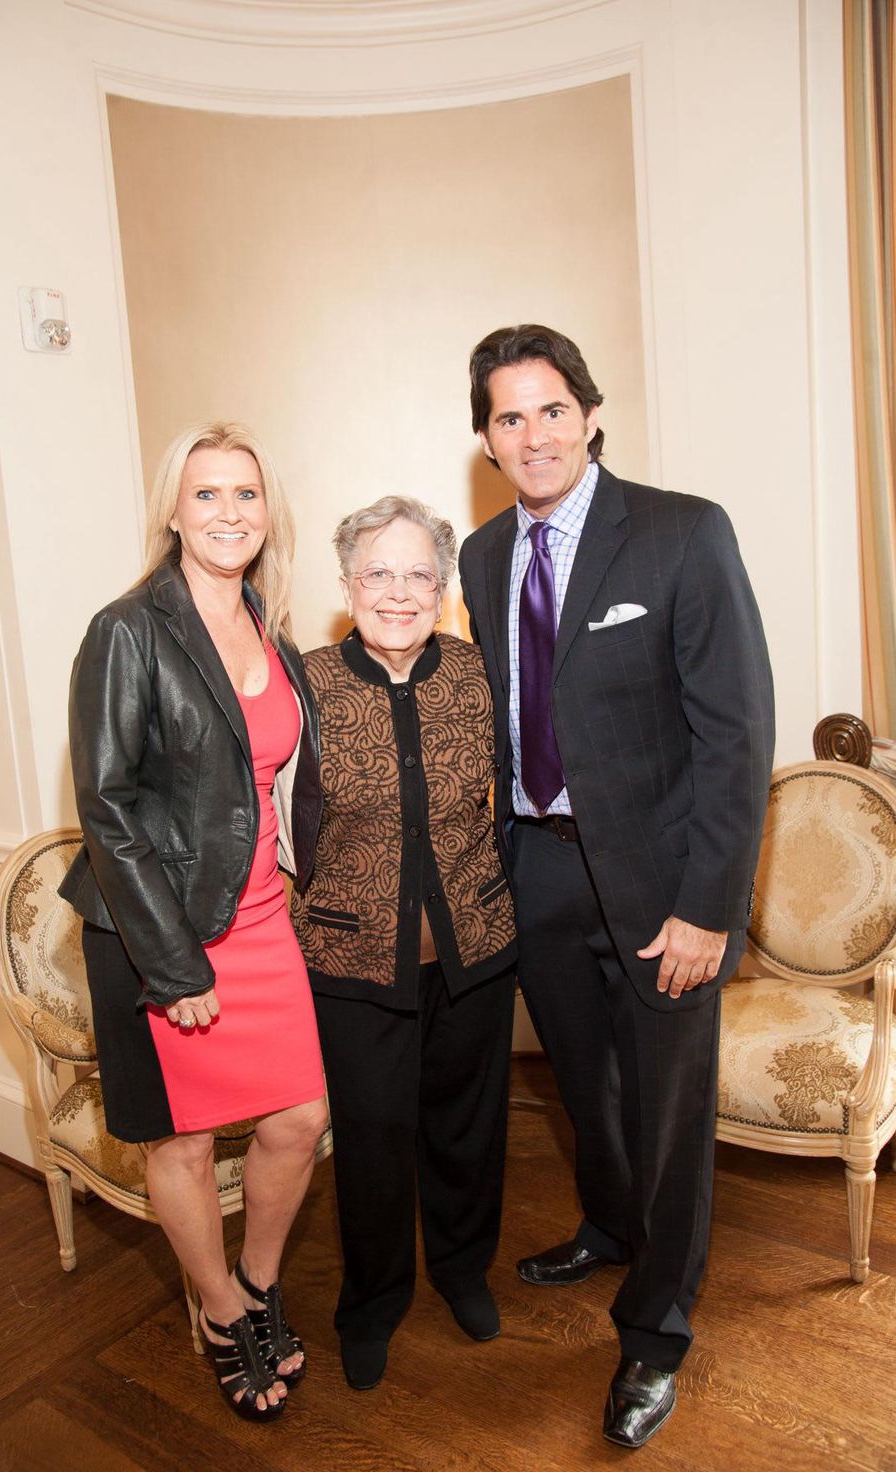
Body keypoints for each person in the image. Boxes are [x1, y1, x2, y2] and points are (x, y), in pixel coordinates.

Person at [459, 325, 775, 1448]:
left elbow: (735, 738)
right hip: (538, 868)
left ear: (589, 413)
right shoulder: (482, 556)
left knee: (668, 1109)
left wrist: (707, 906)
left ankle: (654, 1331)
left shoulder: (683, 533)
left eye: (551, 408)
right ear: (486, 439)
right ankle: (605, 1220)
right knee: (582, 1087)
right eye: (508, 416)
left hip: (660, 885)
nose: (532, 433)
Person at [59, 422, 329, 1425]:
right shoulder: (127, 629)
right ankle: (217, 1310)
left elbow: (270, 786)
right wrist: (171, 963)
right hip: (159, 927)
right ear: (173, 509)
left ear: (267, 514)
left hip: (260, 919)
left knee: (298, 1118)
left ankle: (253, 1279)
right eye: (206, 494)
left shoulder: (272, 631)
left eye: (245, 495)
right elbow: (107, 804)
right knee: (179, 1142)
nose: (228, 512)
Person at [290, 496, 517, 1392]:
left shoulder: (476, 673)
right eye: (377, 573)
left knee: (469, 1128)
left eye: (419, 572)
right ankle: (372, 1302)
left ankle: (464, 1272)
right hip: (351, 959)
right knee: (375, 1139)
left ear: (444, 588)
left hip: (477, 944)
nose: (398, 591)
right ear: (346, 584)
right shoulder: (303, 685)